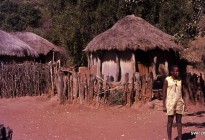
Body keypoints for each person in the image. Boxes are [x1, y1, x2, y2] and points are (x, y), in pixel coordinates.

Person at [162, 65, 185, 140]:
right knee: (170, 122)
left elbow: (181, 92)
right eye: (176, 71)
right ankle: (169, 138)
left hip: (179, 102)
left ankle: (180, 138)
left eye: (178, 71)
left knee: (179, 121)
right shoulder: (167, 80)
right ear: (171, 72)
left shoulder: (180, 80)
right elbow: (164, 93)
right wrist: (164, 105)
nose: (177, 72)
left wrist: (183, 102)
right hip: (170, 103)